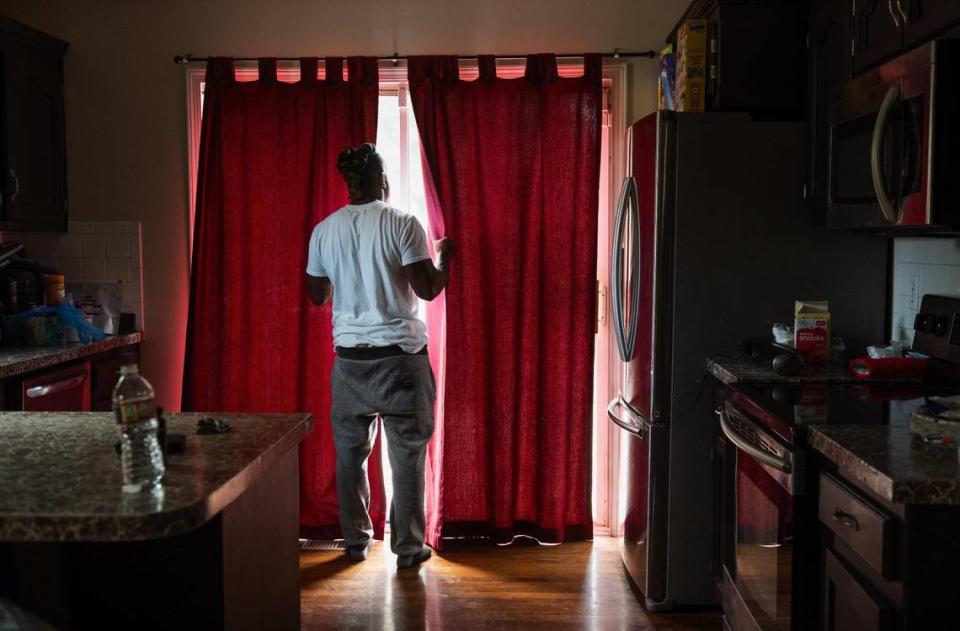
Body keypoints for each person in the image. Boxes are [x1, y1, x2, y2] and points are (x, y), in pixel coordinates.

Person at [305, 143, 454, 570]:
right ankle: (408, 549)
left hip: (349, 362)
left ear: (349, 184)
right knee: (406, 454)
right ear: (382, 179)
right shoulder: (403, 224)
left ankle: (355, 540)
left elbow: (318, 295)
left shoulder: (324, 230)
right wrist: (444, 258)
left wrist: (346, 275)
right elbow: (427, 288)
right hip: (400, 359)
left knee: (350, 454)